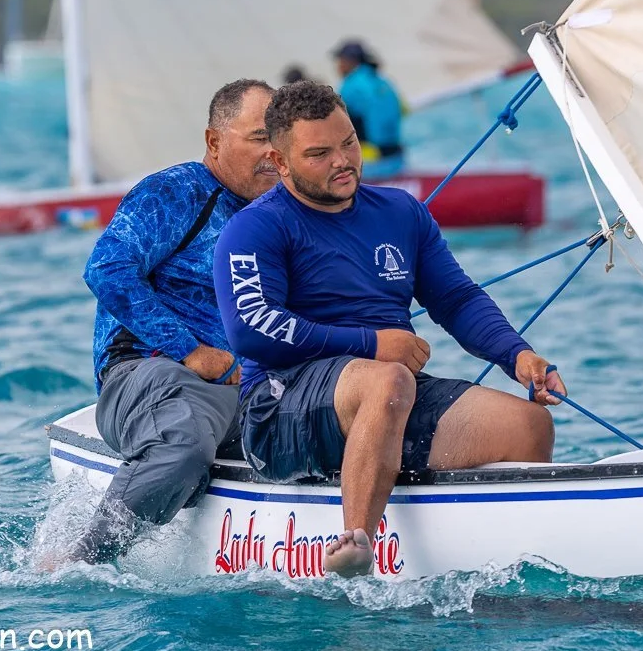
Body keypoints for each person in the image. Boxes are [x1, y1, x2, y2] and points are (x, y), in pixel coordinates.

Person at [212, 81, 561, 578]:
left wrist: (518, 356)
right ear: (280, 162)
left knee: (529, 426)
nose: (343, 162)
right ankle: (355, 544)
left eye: (349, 143)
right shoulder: (254, 228)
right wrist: (371, 343)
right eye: (319, 154)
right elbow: (252, 330)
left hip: (385, 397)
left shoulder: (401, 212)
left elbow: (456, 299)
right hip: (278, 408)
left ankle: (502, 563)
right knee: (390, 378)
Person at [64, 78, 276, 564]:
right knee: (182, 449)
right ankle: (77, 562)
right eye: (259, 138)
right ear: (214, 142)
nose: (273, 153)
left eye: (279, 140)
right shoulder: (175, 193)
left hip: (251, 388)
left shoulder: (285, 211)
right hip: (156, 374)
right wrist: (191, 351)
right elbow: (106, 270)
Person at [331, 39, 405, 179]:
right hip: (396, 152)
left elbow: (335, 118)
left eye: (340, 61)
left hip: (370, 155)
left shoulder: (350, 84)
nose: (338, 66)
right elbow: (404, 111)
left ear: (350, 61)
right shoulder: (384, 81)